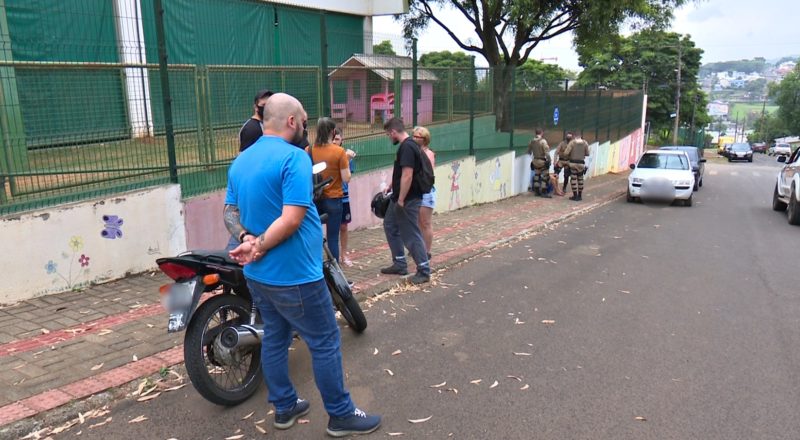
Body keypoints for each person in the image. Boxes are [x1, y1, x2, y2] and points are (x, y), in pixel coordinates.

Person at [223, 93, 380, 437]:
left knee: (276, 338)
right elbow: (292, 218)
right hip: (296, 275)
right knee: (324, 341)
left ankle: (284, 407)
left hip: (260, 277)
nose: (307, 127)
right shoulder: (294, 158)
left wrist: (248, 239)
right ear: (292, 122)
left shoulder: (241, 161)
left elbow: (230, 213)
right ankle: (340, 414)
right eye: (305, 121)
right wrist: (259, 245)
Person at [380, 117, 431, 285]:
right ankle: (400, 263)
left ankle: (423, 270)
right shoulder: (409, 146)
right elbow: (403, 173)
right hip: (400, 197)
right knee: (390, 225)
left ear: (394, 132)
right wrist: (392, 186)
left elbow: (408, 174)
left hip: (407, 199)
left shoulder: (407, 147)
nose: (389, 137)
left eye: (389, 134)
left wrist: (401, 198)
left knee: (410, 233)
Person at [307, 118, 351, 262]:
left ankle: (315, 268)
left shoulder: (309, 150)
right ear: (333, 132)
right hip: (334, 199)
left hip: (315, 199)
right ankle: (334, 270)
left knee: (314, 234)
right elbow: (346, 178)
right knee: (332, 237)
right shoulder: (339, 152)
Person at [333, 128, 357, 266]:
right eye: (333, 139)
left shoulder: (345, 155)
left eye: (337, 139)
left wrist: (346, 160)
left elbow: (347, 177)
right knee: (331, 228)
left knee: (344, 227)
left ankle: (344, 255)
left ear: (342, 140)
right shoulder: (327, 154)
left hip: (344, 196)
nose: (335, 142)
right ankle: (333, 257)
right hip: (330, 196)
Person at [413, 126, 436, 260]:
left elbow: (428, 173)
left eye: (418, 137)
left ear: (425, 139)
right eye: (414, 136)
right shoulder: (414, 151)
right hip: (416, 191)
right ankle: (418, 247)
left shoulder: (428, 154)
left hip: (426, 192)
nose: (415, 139)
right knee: (416, 222)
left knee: (425, 222)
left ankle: (427, 251)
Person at [565, 134, 591, 201]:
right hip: (581, 164)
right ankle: (580, 196)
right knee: (580, 180)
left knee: (573, 180)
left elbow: (566, 153)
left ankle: (575, 196)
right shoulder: (585, 143)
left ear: (574, 137)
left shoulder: (572, 142)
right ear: (581, 137)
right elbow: (588, 153)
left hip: (573, 163)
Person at [528, 128, 551, 198]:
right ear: (541, 133)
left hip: (535, 160)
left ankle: (537, 191)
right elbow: (547, 152)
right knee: (545, 176)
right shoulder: (543, 141)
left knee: (536, 176)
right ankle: (544, 192)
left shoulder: (532, 141)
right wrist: (549, 160)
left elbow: (529, 151)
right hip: (542, 161)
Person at [554, 132, 574, 196]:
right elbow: (556, 152)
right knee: (555, 174)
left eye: (570, 137)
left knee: (566, 175)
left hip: (568, 161)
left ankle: (564, 187)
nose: (569, 138)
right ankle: (555, 188)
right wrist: (555, 160)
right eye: (568, 137)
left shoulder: (573, 144)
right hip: (561, 160)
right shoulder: (562, 143)